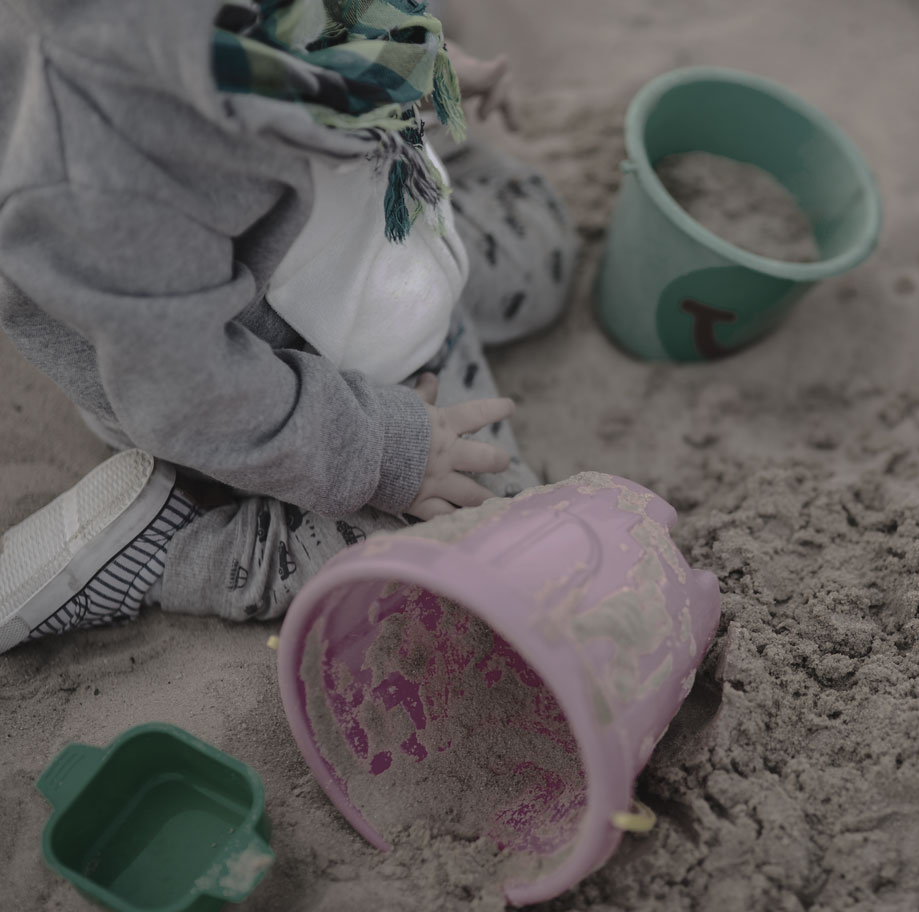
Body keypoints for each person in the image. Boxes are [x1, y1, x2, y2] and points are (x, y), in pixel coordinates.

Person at [0, 0, 577, 653]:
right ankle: (178, 548)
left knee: (546, 245)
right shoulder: (94, 163)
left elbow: (327, 29)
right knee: (491, 533)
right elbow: (192, 394)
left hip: (371, 236)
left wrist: (415, 66)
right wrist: (386, 451)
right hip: (287, 383)